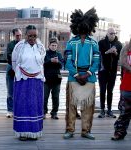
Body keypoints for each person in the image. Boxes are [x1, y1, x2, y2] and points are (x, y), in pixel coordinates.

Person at [63, 8, 100, 140]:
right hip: (75, 76)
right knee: (71, 105)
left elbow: (97, 61)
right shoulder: (71, 42)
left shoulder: (94, 43)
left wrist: (87, 74)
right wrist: (77, 75)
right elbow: (67, 61)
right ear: (77, 25)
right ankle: (70, 130)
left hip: (89, 77)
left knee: (88, 106)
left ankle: (86, 130)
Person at [12, 25, 46, 141]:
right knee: (22, 105)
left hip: (37, 81)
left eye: (35, 36)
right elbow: (14, 62)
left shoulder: (41, 47)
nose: (32, 38)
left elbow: (41, 63)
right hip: (22, 80)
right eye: (30, 36)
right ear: (25, 35)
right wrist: (20, 73)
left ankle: (34, 132)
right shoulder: (19, 47)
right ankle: (22, 133)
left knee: (35, 106)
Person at [98, 28, 122, 118]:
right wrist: (108, 51)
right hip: (103, 70)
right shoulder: (101, 42)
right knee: (102, 90)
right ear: (107, 33)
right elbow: (99, 54)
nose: (113, 35)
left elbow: (119, 57)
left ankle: (109, 110)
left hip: (113, 71)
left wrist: (115, 53)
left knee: (110, 91)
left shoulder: (119, 44)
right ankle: (102, 110)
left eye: (114, 33)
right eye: (111, 33)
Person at [111, 39, 131, 140]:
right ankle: (119, 132)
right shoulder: (126, 49)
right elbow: (123, 62)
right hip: (127, 86)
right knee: (124, 113)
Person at [44, 37, 63, 119]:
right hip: (46, 79)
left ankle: (54, 112)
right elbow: (43, 64)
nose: (54, 47)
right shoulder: (45, 53)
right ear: (49, 45)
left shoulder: (59, 54)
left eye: (55, 45)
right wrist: (50, 61)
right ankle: (43, 112)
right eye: (52, 45)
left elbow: (61, 65)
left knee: (56, 97)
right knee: (45, 97)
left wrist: (57, 61)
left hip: (57, 79)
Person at [6, 28, 22, 118]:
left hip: (22, 68)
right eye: (17, 35)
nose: (19, 37)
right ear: (13, 35)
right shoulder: (10, 44)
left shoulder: (24, 44)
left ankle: (19, 110)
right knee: (10, 90)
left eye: (20, 35)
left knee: (20, 90)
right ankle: (9, 110)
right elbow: (9, 56)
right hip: (11, 67)